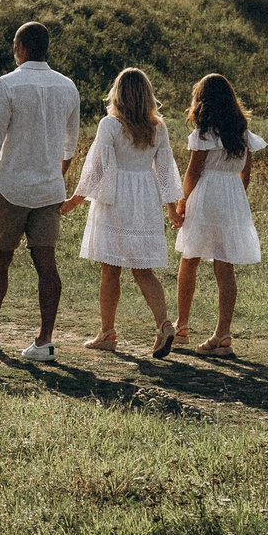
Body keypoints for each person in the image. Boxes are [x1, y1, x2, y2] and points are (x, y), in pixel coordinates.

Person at [0, 21, 82, 365]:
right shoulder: (67, 87)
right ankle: (44, 340)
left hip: (11, 186)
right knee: (46, 262)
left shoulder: (8, 84)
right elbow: (70, 144)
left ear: (22, 48)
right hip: (48, 190)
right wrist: (55, 175)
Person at [65, 66, 185, 357]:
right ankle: (165, 324)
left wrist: (74, 200)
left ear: (117, 93)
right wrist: (172, 208)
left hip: (116, 198)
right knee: (143, 270)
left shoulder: (111, 125)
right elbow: (166, 169)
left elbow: (97, 168)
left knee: (110, 269)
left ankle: (107, 332)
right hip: (145, 198)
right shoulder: (158, 127)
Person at [172, 71, 266, 355]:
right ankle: (223, 333)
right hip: (232, 195)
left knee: (190, 259)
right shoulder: (242, 133)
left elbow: (193, 171)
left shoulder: (203, 135)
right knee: (225, 266)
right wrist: (235, 200)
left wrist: (182, 202)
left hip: (206, 193)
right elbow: (245, 175)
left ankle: (182, 325)